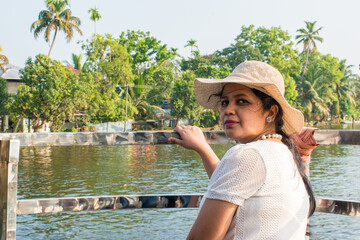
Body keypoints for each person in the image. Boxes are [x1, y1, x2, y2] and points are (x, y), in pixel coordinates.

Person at [168, 61, 315, 240]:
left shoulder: (248, 155)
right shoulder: (282, 152)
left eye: (242, 101)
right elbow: (235, 184)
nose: (228, 110)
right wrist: (203, 148)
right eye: (224, 102)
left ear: (272, 112)